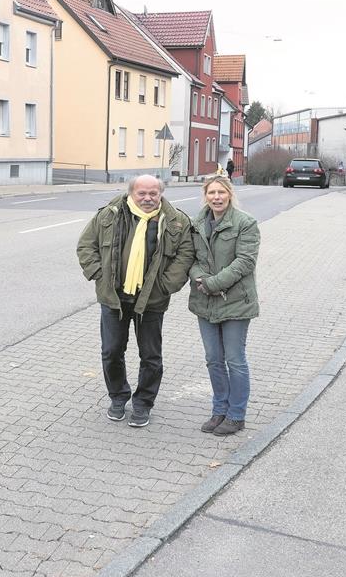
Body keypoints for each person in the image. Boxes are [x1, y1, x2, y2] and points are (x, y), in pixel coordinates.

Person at [76, 175, 195, 427]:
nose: (148, 198)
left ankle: (143, 403)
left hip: (152, 300)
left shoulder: (176, 221)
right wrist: (100, 275)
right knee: (111, 352)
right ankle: (118, 397)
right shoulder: (110, 214)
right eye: (142, 193)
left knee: (151, 355)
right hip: (114, 298)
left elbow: (185, 256)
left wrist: (165, 286)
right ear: (131, 193)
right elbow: (86, 246)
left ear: (161, 194)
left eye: (153, 193)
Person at [188, 175, 259, 436]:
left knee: (235, 360)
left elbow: (245, 262)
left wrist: (213, 283)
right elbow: (192, 259)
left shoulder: (245, 223)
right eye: (211, 193)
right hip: (204, 301)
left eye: (221, 192)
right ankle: (219, 410)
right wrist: (200, 278)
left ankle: (237, 415)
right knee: (213, 360)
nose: (216, 197)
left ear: (230, 194)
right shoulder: (196, 224)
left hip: (236, 302)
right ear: (205, 196)